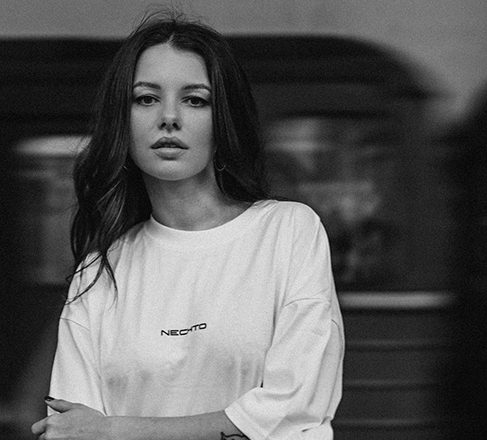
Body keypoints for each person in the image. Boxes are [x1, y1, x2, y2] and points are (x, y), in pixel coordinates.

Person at [32, 11, 344, 440]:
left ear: (222, 119)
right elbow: (72, 433)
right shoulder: (98, 275)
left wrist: (114, 430)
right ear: (122, 120)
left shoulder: (288, 233)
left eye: (195, 100)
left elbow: (292, 412)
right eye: (146, 99)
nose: (169, 117)